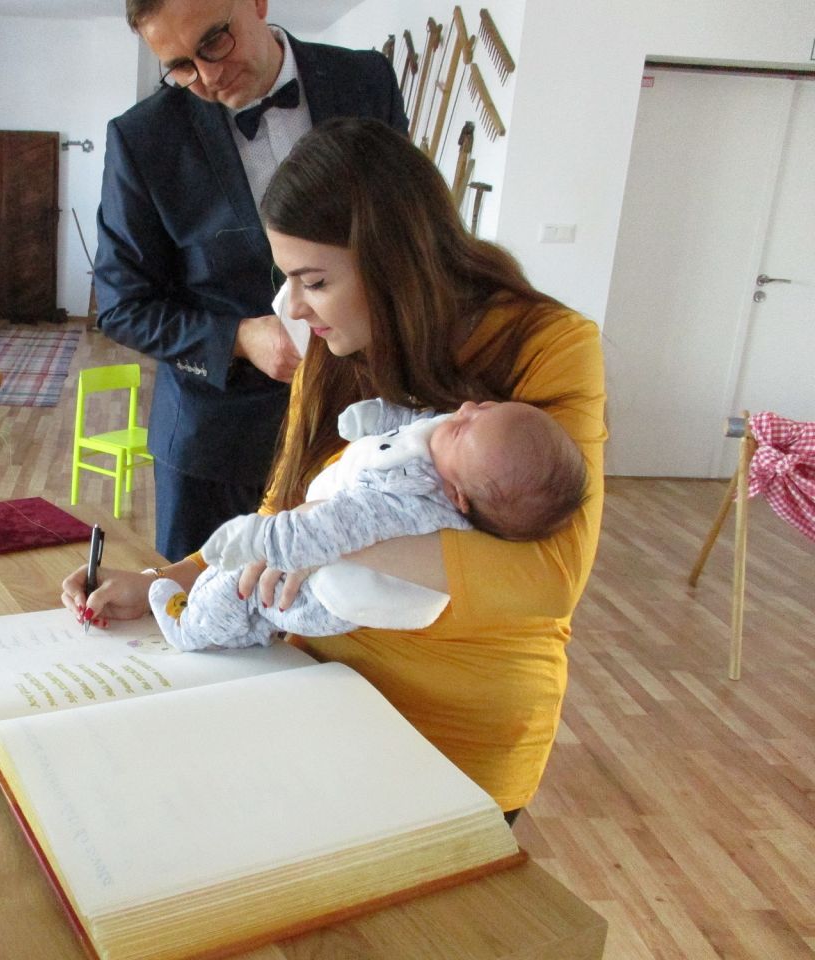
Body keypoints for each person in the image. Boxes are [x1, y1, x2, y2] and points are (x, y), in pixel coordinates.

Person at [64, 117, 607, 820]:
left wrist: (336, 539)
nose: (291, 307)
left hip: (457, 740)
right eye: (287, 279)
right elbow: (283, 511)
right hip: (309, 691)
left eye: (313, 281)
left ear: (395, 266)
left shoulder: (550, 344)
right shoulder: (335, 339)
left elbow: (551, 579)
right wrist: (165, 581)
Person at [95, 0, 408, 560]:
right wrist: (237, 338)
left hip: (365, 426)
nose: (207, 77)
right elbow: (122, 306)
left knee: (344, 607)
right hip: (216, 445)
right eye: (181, 67)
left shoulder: (366, 81)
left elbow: (405, 230)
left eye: (215, 41)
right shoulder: (143, 139)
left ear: (258, 3)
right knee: (200, 603)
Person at [149, 398, 588, 651]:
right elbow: (420, 423)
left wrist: (263, 537)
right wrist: (382, 417)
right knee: (252, 588)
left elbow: (332, 527)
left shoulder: (409, 501)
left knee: (240, 588)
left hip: (321, 597)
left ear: (457, 497)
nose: (466, 408)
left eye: (463, 427)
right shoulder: (461, 449)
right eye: (485, 407)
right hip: (312, 576)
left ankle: (192, 629)